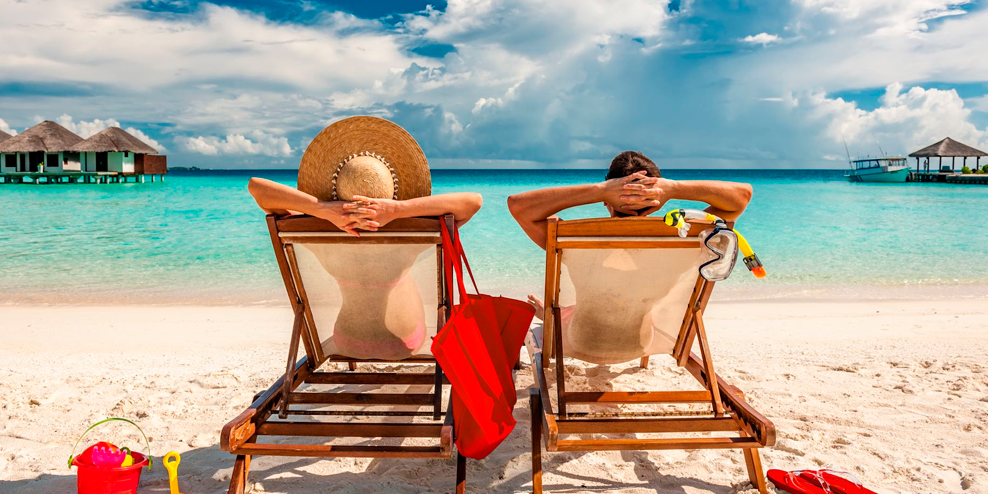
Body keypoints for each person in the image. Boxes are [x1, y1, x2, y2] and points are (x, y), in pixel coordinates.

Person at [249, 116, 482, 359]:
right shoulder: (415, 233)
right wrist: (396, 210)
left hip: (348, 341)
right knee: (403, 279)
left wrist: (325, 210)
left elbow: (257, 187)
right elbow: (473, 202)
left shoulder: (315, 232)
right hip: (404, 343)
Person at [507, 150, 753, 363]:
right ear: (656, 200)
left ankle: (550, 316)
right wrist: (673, 188)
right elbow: (740, 198)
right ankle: (555, 315)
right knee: (619, 299)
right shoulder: (681, 242)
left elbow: (519, 207)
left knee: (592, 302)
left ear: (607, 201)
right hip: (640, 343)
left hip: (581, 341)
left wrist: (601, 191)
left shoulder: (571, 240)